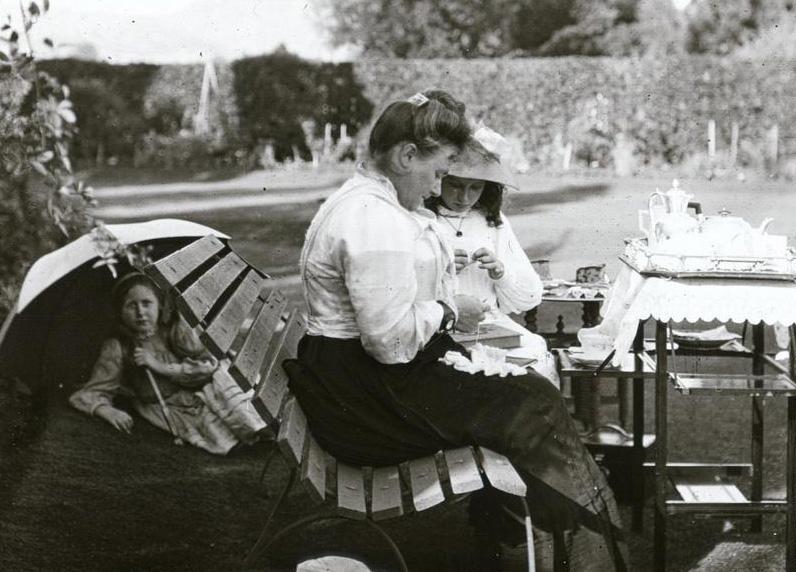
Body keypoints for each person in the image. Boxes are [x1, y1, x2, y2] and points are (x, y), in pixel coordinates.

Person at [292, 89, 627, 570]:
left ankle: (541, 546)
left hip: (356, 383)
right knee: (535, 404)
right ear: (407, 155)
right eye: (439, 169)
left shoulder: (368, 204)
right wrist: (448, 311)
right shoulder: (372, 219)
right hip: (364, 399)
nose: (436, 187)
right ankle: (586, 558)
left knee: (530, 397)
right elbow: (388, 341)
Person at [69, 272, 267, 455]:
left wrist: (157, 365)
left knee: (224, 378)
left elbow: (207, 364)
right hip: (171, 405)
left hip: (201, 386)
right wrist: (106, 410)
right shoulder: (119, 346)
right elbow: (92, 391)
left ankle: (259, 426)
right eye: (131, 306)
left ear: (159, 305)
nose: (140, 312)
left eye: (147, 303)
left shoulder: (173, 330)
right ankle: (244, 441)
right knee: (222, 434)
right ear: (120, 312)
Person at [426, 124, 559, 386]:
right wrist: (441, 268)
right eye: (454, 185)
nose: (464, 197)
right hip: (437, 326)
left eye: (475, 188)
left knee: (532, 353)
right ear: (439, 178)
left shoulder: (492, 222)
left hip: (490, 326)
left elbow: (530, 297)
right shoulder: (424, 219)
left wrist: (501, 273)